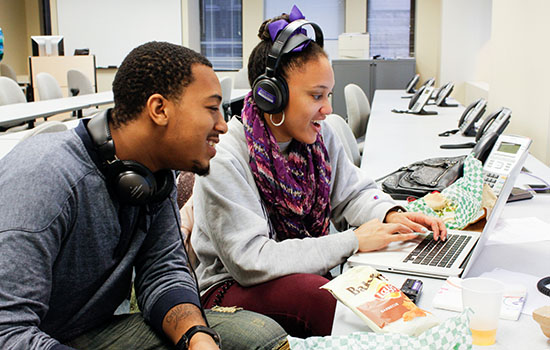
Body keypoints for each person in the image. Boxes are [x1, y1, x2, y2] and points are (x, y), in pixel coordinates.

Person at [0, 42, 288, 350]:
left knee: (257, 336)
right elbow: (8, 331)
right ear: (159, 109)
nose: (222, 125)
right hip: (27, 338)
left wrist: (196, 338)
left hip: (88, 330)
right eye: (210, 108)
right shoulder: (44, 178)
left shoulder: (151, 178)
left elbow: (164, 271)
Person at [191, 6, 447, 338]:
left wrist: (390, 214)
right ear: (271, 95)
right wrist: (352, 240)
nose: (328, 109)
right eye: (316, 96)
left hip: (296, 272)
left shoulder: (318, 137)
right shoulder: (227, 156)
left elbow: (352, 193)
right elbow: (251, 261)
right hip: (229, 287)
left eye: (328, 94)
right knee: (320, 299)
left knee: (369, 291)